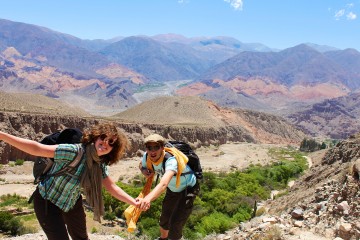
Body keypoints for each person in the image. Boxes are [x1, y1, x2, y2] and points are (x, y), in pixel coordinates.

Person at [0, 122, 139, 240]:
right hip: (47, 200)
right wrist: (3, 135)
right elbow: (37, 148)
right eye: (102, 138)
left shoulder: (99, 164)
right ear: (95, 138)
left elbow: (111, 187)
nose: (105, 144)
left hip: (71, 202)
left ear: (113, 149)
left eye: (111, 143)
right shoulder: (74, 151)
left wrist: (134, 202)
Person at [137, 134, 200, 240]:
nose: (152, 151)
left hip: (188, 189)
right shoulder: (147, 156)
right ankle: (163, 238)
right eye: (149, 147)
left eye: (156, 147)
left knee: (175, 223)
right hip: (173, 189)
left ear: (162, 148)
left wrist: (147, 199)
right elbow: (141, 165)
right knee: (164, 218)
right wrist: (143, 170)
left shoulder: (171, 160)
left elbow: (163, 183)